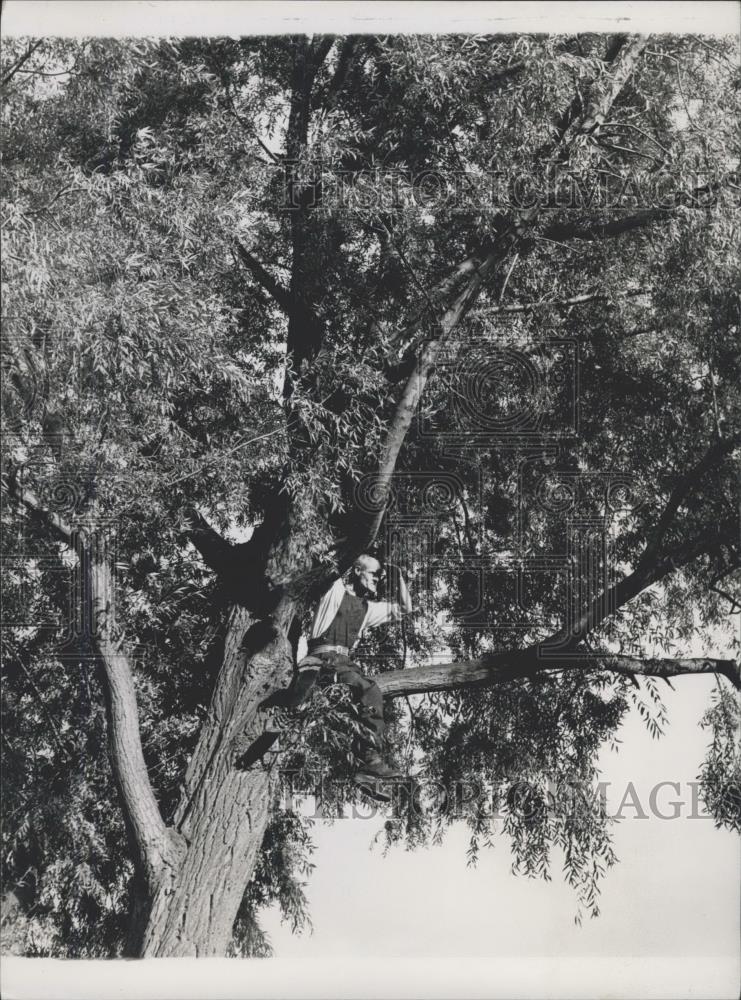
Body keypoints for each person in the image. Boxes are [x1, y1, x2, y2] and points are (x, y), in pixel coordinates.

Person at [259, 555, 413, 792]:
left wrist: (399, 576)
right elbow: (334, 565)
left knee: (370, 692)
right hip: (320, 657)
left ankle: (369, 765)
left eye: (379, 576)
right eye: (373, 573)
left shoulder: (367, 608)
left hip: (344, 665)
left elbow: (405, 609)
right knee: (315, 685)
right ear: (357, 571)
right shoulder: (334, 589)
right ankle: (286, 711)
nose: (377, 579)